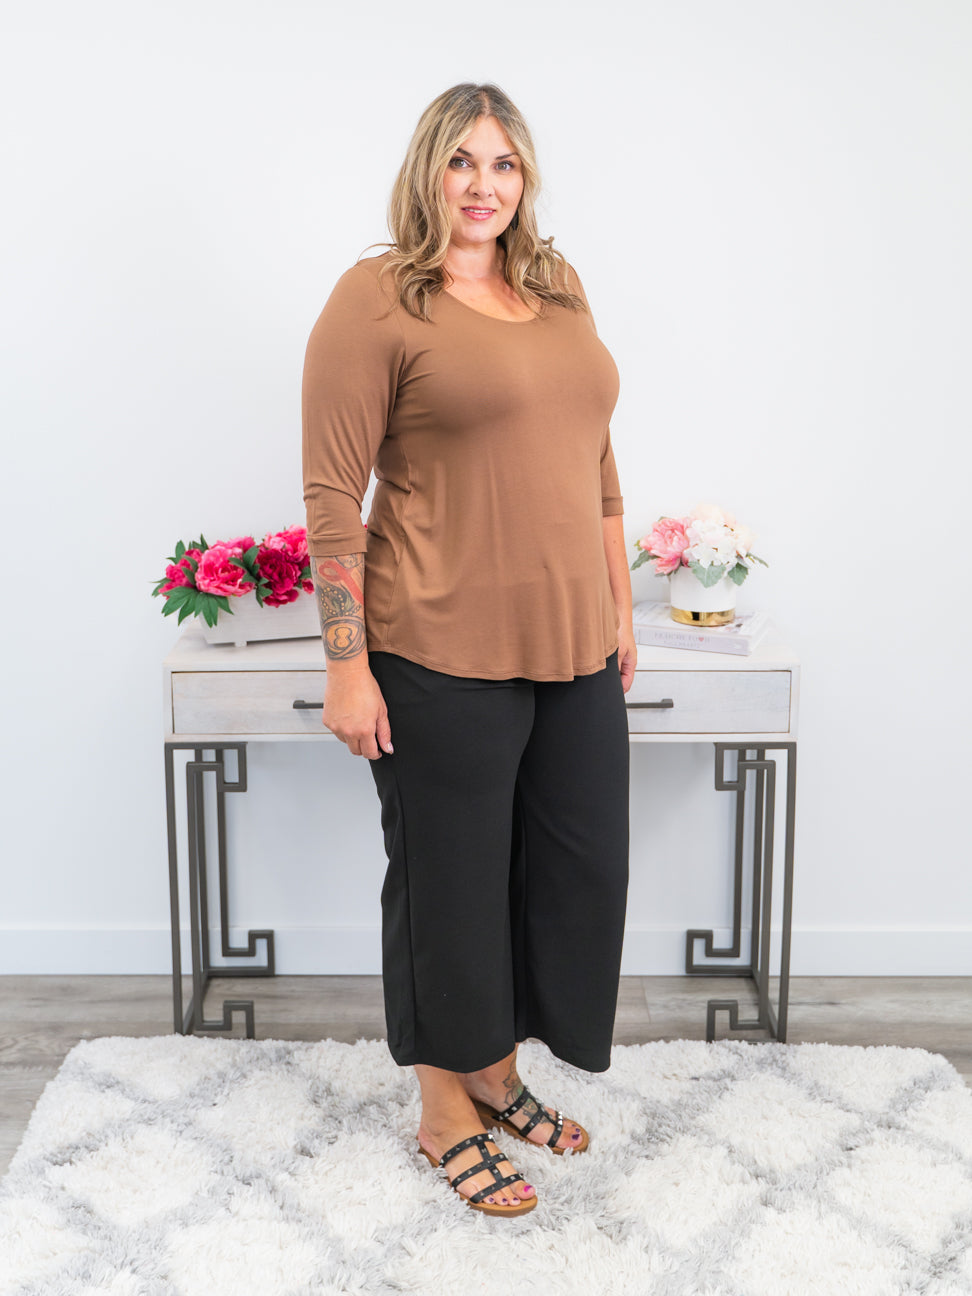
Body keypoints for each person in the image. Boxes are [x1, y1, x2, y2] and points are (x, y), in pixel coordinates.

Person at [301, 82, 636, 1219]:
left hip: (573, 645)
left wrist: (619, 607)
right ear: (427, 172)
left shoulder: (557, 287)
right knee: (451, 885)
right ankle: (446, 1111)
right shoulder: (376, 300)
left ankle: (495, 1069)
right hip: (435, 646)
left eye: (502, 164)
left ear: (523, 177)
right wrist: (345, 663)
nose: (482, 186)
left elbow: (596, 460)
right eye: (461, 162)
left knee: (572, 874)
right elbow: (332, 497)